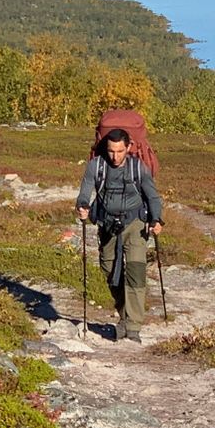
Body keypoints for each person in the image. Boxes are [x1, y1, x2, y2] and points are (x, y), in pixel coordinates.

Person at [75, 127, 164, 342]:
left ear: (129, 147)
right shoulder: (96, 166)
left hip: (135, 224)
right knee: (109, 271)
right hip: (107, 225)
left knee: (135, 271)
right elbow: (85, 191)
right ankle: (125, 315)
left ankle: (133, 328)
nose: (115, 156)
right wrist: (82, 206)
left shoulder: (138, 168)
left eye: (120, 151)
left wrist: (156, 219)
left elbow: (152, 196)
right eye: (111, 151)